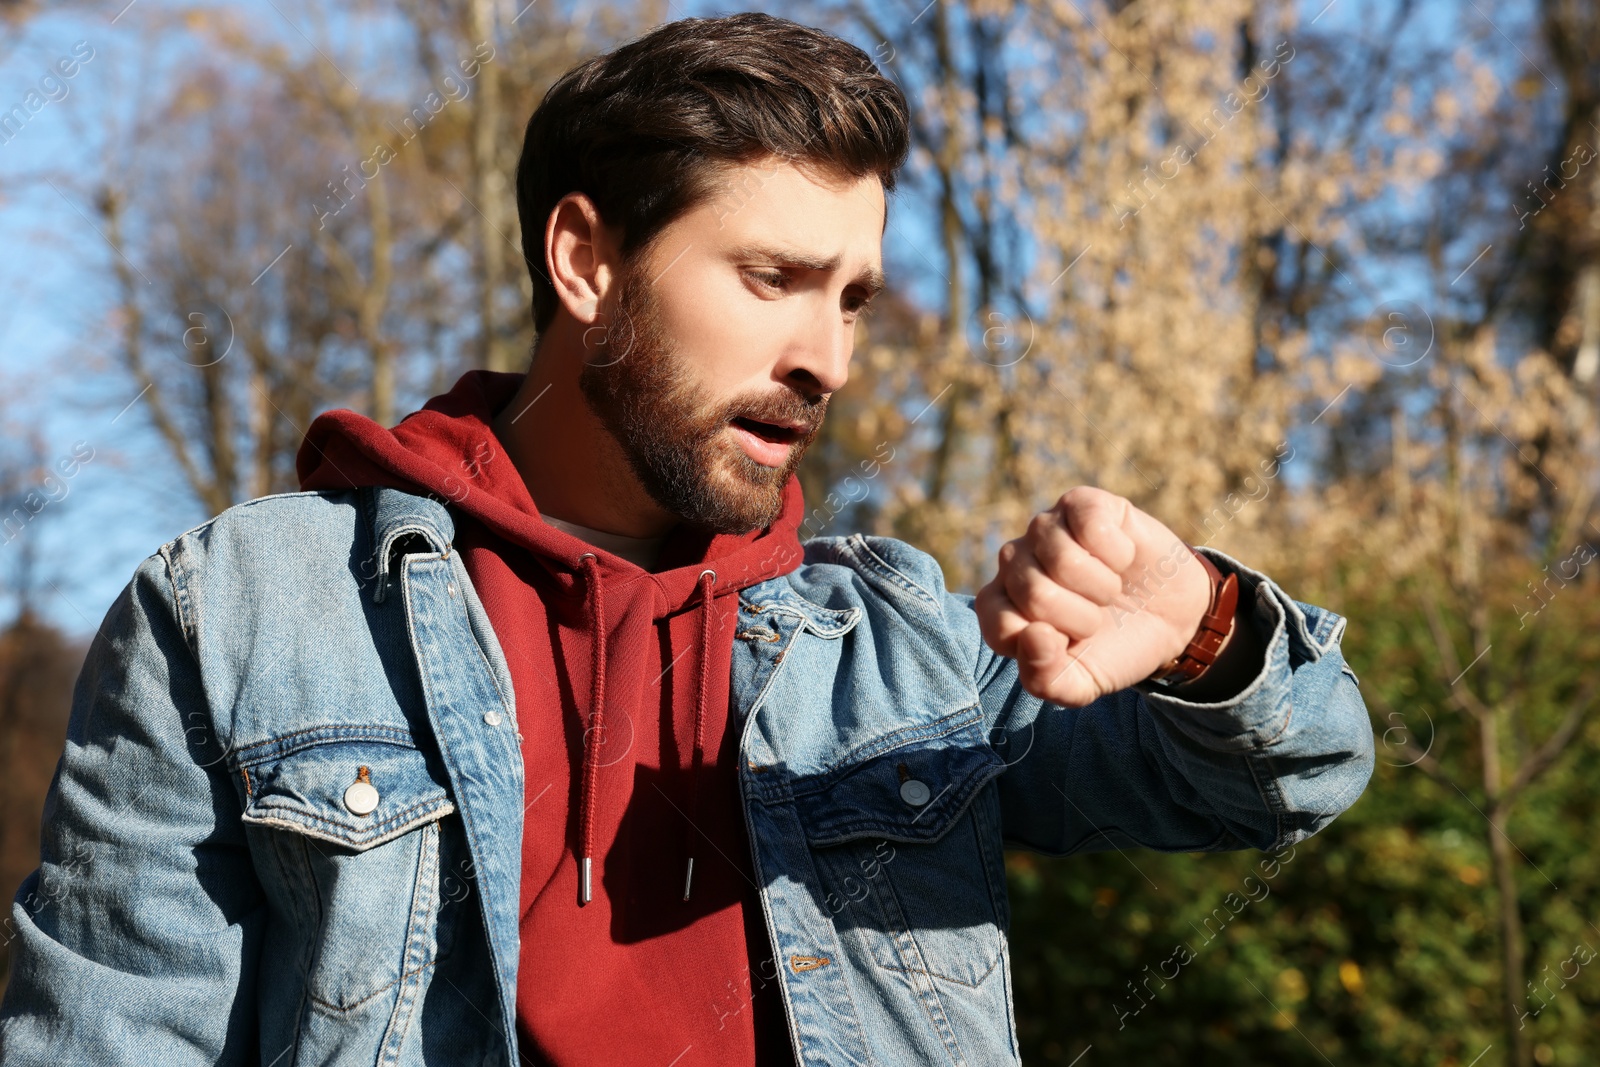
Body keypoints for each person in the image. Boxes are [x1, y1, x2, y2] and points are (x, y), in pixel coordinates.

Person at [0, 12, 1374, 1066]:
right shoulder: (245, 610)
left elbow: (1292, 781)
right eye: (771, 278)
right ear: (587, 263)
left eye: (852, 299)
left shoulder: (900, 658)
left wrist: (1205, 628)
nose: (823, 355)